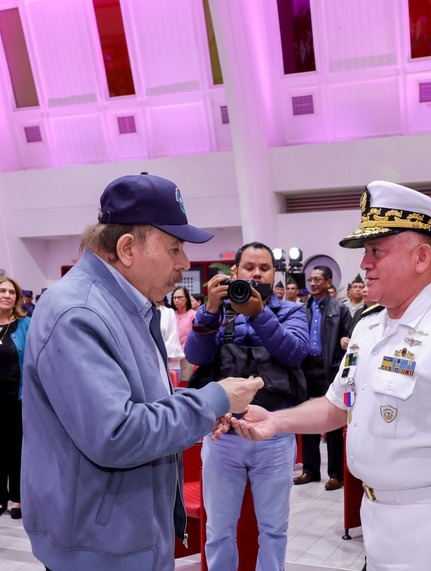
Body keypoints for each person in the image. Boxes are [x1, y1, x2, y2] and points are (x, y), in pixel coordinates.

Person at [229, 180, 431, 571]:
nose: (364, 264)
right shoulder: (369, 327)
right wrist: (275, 421)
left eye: (376, 251)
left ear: (421, 257)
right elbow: (338, 406)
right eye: (365, 252)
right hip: (377, 523)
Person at [21, 172, 264, 571]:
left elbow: (143, 401)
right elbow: (116, 433)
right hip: (97, 547)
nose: (184, 263)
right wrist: (212, 399)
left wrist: (205, 410)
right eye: (174, 248)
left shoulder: (125, 306)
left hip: (125, 531)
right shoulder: (79, 313)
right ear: (128, 248)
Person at [185, 241, 309, 571]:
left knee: (274, 530)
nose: (256, 274)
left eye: (264, 268)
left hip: (274, 436)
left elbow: (295, 353)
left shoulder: (291, 311)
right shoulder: (220, 311)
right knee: (219, 530)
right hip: (222, 438)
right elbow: (196, 356)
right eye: (249, 268)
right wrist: (210, 309)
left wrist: (259, 314)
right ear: (235, 271)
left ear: (274, 273)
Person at [293, 265, 351, 491]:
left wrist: (338, 361)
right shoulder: (302, 309)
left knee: (332, 421)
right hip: (307, 370)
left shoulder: (340, 309)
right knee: (308, 420)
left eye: (318, 279)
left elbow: (349, 339)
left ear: (329, 283)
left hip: (329, 371)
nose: (313, 283)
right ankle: (310, 470)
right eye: (310, 279)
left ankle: (336, 473)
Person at [0, 276, 31, 520]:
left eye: (12, 292)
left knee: (17, 450)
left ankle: (18, 497)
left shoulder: (25, 325)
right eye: (2, 291)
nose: (7, 295)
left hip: (18, 399)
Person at [170, 285, 197, 382]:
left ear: (186, 298)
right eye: (174, 298)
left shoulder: (193, 315)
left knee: (185, 382)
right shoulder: (170, 314)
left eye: (179, 297)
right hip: (171, 356)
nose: (176, 300)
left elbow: (196, 336)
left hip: (187, 356)